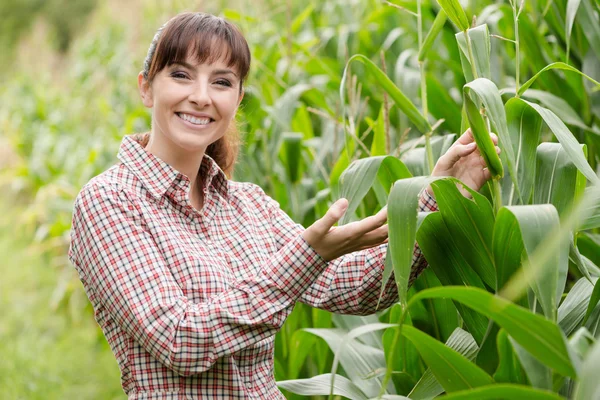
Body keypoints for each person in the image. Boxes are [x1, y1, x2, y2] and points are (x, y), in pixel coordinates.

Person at [67, 11, 499, 400]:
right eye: (181, 75)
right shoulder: (110, 201)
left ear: (237, 100)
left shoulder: (248, 205)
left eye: (221, 82)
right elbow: (180, 340)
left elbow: (353, 287)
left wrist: (437, 200)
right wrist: (306, 258)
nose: (201, 96)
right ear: (146, 88)